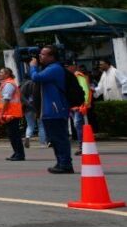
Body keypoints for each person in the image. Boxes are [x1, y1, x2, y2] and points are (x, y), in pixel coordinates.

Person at [29, 46, 73, 174]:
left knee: (60, 138)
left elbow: (36, 77)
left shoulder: (55, 69)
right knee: (54, 139)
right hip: (49, 110)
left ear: (52, 57)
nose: (40, 56)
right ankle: (61, 162)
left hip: (56, 110)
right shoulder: (49, 68)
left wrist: (33, 66)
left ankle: (65, 164)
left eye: (43, 54)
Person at [0, 67, 24, 160]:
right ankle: (16, 152)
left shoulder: (8, 84)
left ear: (7, 74)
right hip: (10, 113)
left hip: (11, 113)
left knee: (14, 135)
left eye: (1, 72)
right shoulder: (6, 84)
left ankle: (19, 154)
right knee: (12, 135)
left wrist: (2, 113)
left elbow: (6, 99)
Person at [67, 64, 93, 154]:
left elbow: (85, 90)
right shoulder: (69, 77)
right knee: (77, 125)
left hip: (79, 106)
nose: (66, 68)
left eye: (68, 66)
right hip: (72, 106)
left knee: (78, 125)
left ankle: (82, 146)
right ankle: (83, 146)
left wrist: (83, 104)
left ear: (73, 66)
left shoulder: (78, 76)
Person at [20, 76, 45, 148]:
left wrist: (28, 104)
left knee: (30, 125)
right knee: (41, 125)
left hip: (28, 108)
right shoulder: (40, 84)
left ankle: (28, 136)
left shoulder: (25, 85)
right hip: (39, 108)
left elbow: (21, 96)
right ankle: (42, 143)